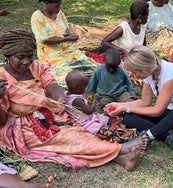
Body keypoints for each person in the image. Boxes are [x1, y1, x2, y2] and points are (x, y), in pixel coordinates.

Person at [0, 29, 148, 171]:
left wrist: (59, 97)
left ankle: (123, 160)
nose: (26, 62)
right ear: (8, 55)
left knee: (82, 133)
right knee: (70, 139)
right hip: (26, 127)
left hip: (49, 114)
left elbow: (50, 84)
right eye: (20, 57)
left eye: (29, 56)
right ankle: (121, 149)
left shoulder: (35, 67)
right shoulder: (2, 78)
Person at [106, 45, 173, 159]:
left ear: (144, 69)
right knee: (129, 117)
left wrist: (126, 107)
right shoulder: (149, 73)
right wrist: (120, 106)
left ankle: (148, 136)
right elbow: (144, 102)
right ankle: (170, 138)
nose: (133, 76)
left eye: (134, 72)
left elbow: (157, 111)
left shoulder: (172, 74)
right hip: (169, 116)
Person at [31, 0, 98, 86]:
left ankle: (79, 72)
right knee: (67, 74)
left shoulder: (59, 13)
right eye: (56, 6)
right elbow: (45, 40)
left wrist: (72, 35)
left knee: (91, 65)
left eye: (60, 6)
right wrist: (67, 39)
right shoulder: (37, 16)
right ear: (47, 3)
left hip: (66, 48)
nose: (59, 9)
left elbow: (66, 29)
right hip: (49, 52)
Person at [65, 70, 109, 134]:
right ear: (78, 88)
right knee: (96, 127)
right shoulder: (77, 100)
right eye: (85, 87)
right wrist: (94, 99)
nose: (85, 89)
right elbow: (89, 111)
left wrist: (87, 102)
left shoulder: (66, 94)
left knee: (103, 118)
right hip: (84, 121)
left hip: (84, 116)